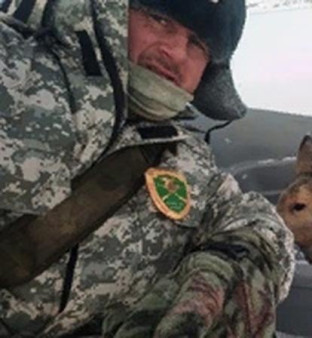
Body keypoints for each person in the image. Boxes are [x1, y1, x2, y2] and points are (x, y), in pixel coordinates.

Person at [0, 0, 295, 336]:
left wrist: (229, 269)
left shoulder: (186, 158)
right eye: (160, 20)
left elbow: (257, 225)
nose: (177, 53)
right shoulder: (15, 70)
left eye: (197, 44)